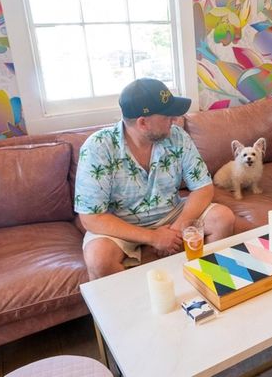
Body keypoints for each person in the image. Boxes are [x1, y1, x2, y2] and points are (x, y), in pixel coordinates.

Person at [74, 78, 236, 280]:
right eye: (167, 115)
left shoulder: (177, 136)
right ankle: (134, 308)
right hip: (121, 223)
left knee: (223, 218)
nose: (175, 119)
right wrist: (154, 238)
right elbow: (91, 218)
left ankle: (206, 283)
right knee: (98, 259)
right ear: (143, 123)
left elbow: (203, 187)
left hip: (171, 213)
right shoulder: (98, 147)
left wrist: (178, 229)